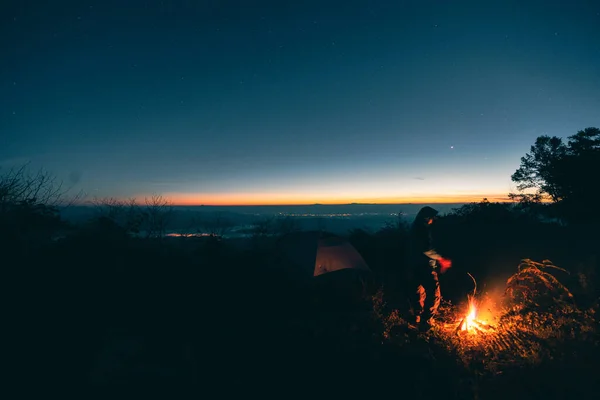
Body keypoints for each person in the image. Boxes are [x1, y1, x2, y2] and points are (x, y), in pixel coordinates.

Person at [409, 206, 452, 331]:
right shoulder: (423, 230)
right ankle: (426, 321)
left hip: (413, 265)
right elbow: (426, 249)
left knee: (418, 292)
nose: (434, 220)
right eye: (432, 217)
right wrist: (441, 259)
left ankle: (417, 317)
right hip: (425, 267)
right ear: (427, 218)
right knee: (433, 293)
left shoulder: (414, 228)